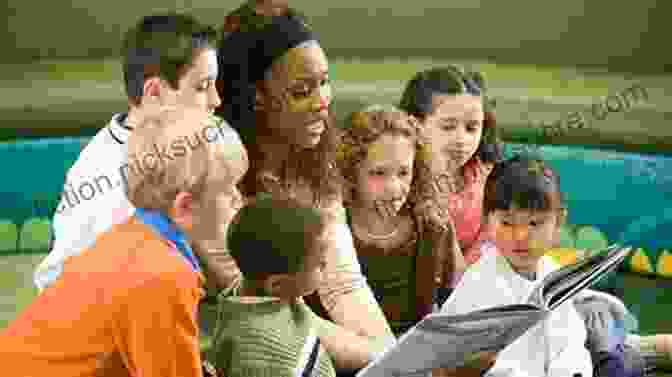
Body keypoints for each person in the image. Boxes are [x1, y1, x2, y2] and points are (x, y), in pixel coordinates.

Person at [211, 1, 395, 368]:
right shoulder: (217, 168)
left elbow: (342, 282)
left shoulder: (320, 151)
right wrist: (386, 360)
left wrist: (398, 357)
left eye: (324, 82)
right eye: (301, 91)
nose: (322, 102)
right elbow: (266, 309)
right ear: (256, 96)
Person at [0, 107, 246, 377]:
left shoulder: (131, 235)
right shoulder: (165, 277)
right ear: (185, 207)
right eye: (228, 188)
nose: (238, 198)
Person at [34, 13, 224, 291]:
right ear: (155, 92)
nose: (216, 100)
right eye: (202, 87)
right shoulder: (115, 178)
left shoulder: (170, 144)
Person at [436, 156, 593, 377]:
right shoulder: (481, 283)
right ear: (487, 221)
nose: (520, 236)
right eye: (507, 223)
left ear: (558, 220)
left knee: (614, 360)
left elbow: (569, 343)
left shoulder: (553, 276)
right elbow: (491, 365)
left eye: (534, 223)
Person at [210, 194, 376, 376]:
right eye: (319, 264)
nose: (326, 266)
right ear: (278, 284)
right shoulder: (270, 359)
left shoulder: (250, 292)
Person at [336, 105, 462, 336]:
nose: (394, 188)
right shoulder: (334, 225)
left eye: (403, 173)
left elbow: (456, 295)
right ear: (351, 172)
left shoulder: (432, 223)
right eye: (378, 173)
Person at [398, 65, 502, 300]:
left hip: (477, 288)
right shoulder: (396, 179)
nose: (461, 140)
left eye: (471, 128)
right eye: (448, 127)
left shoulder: (485, 176)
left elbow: (493, 245)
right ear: (415, 124)